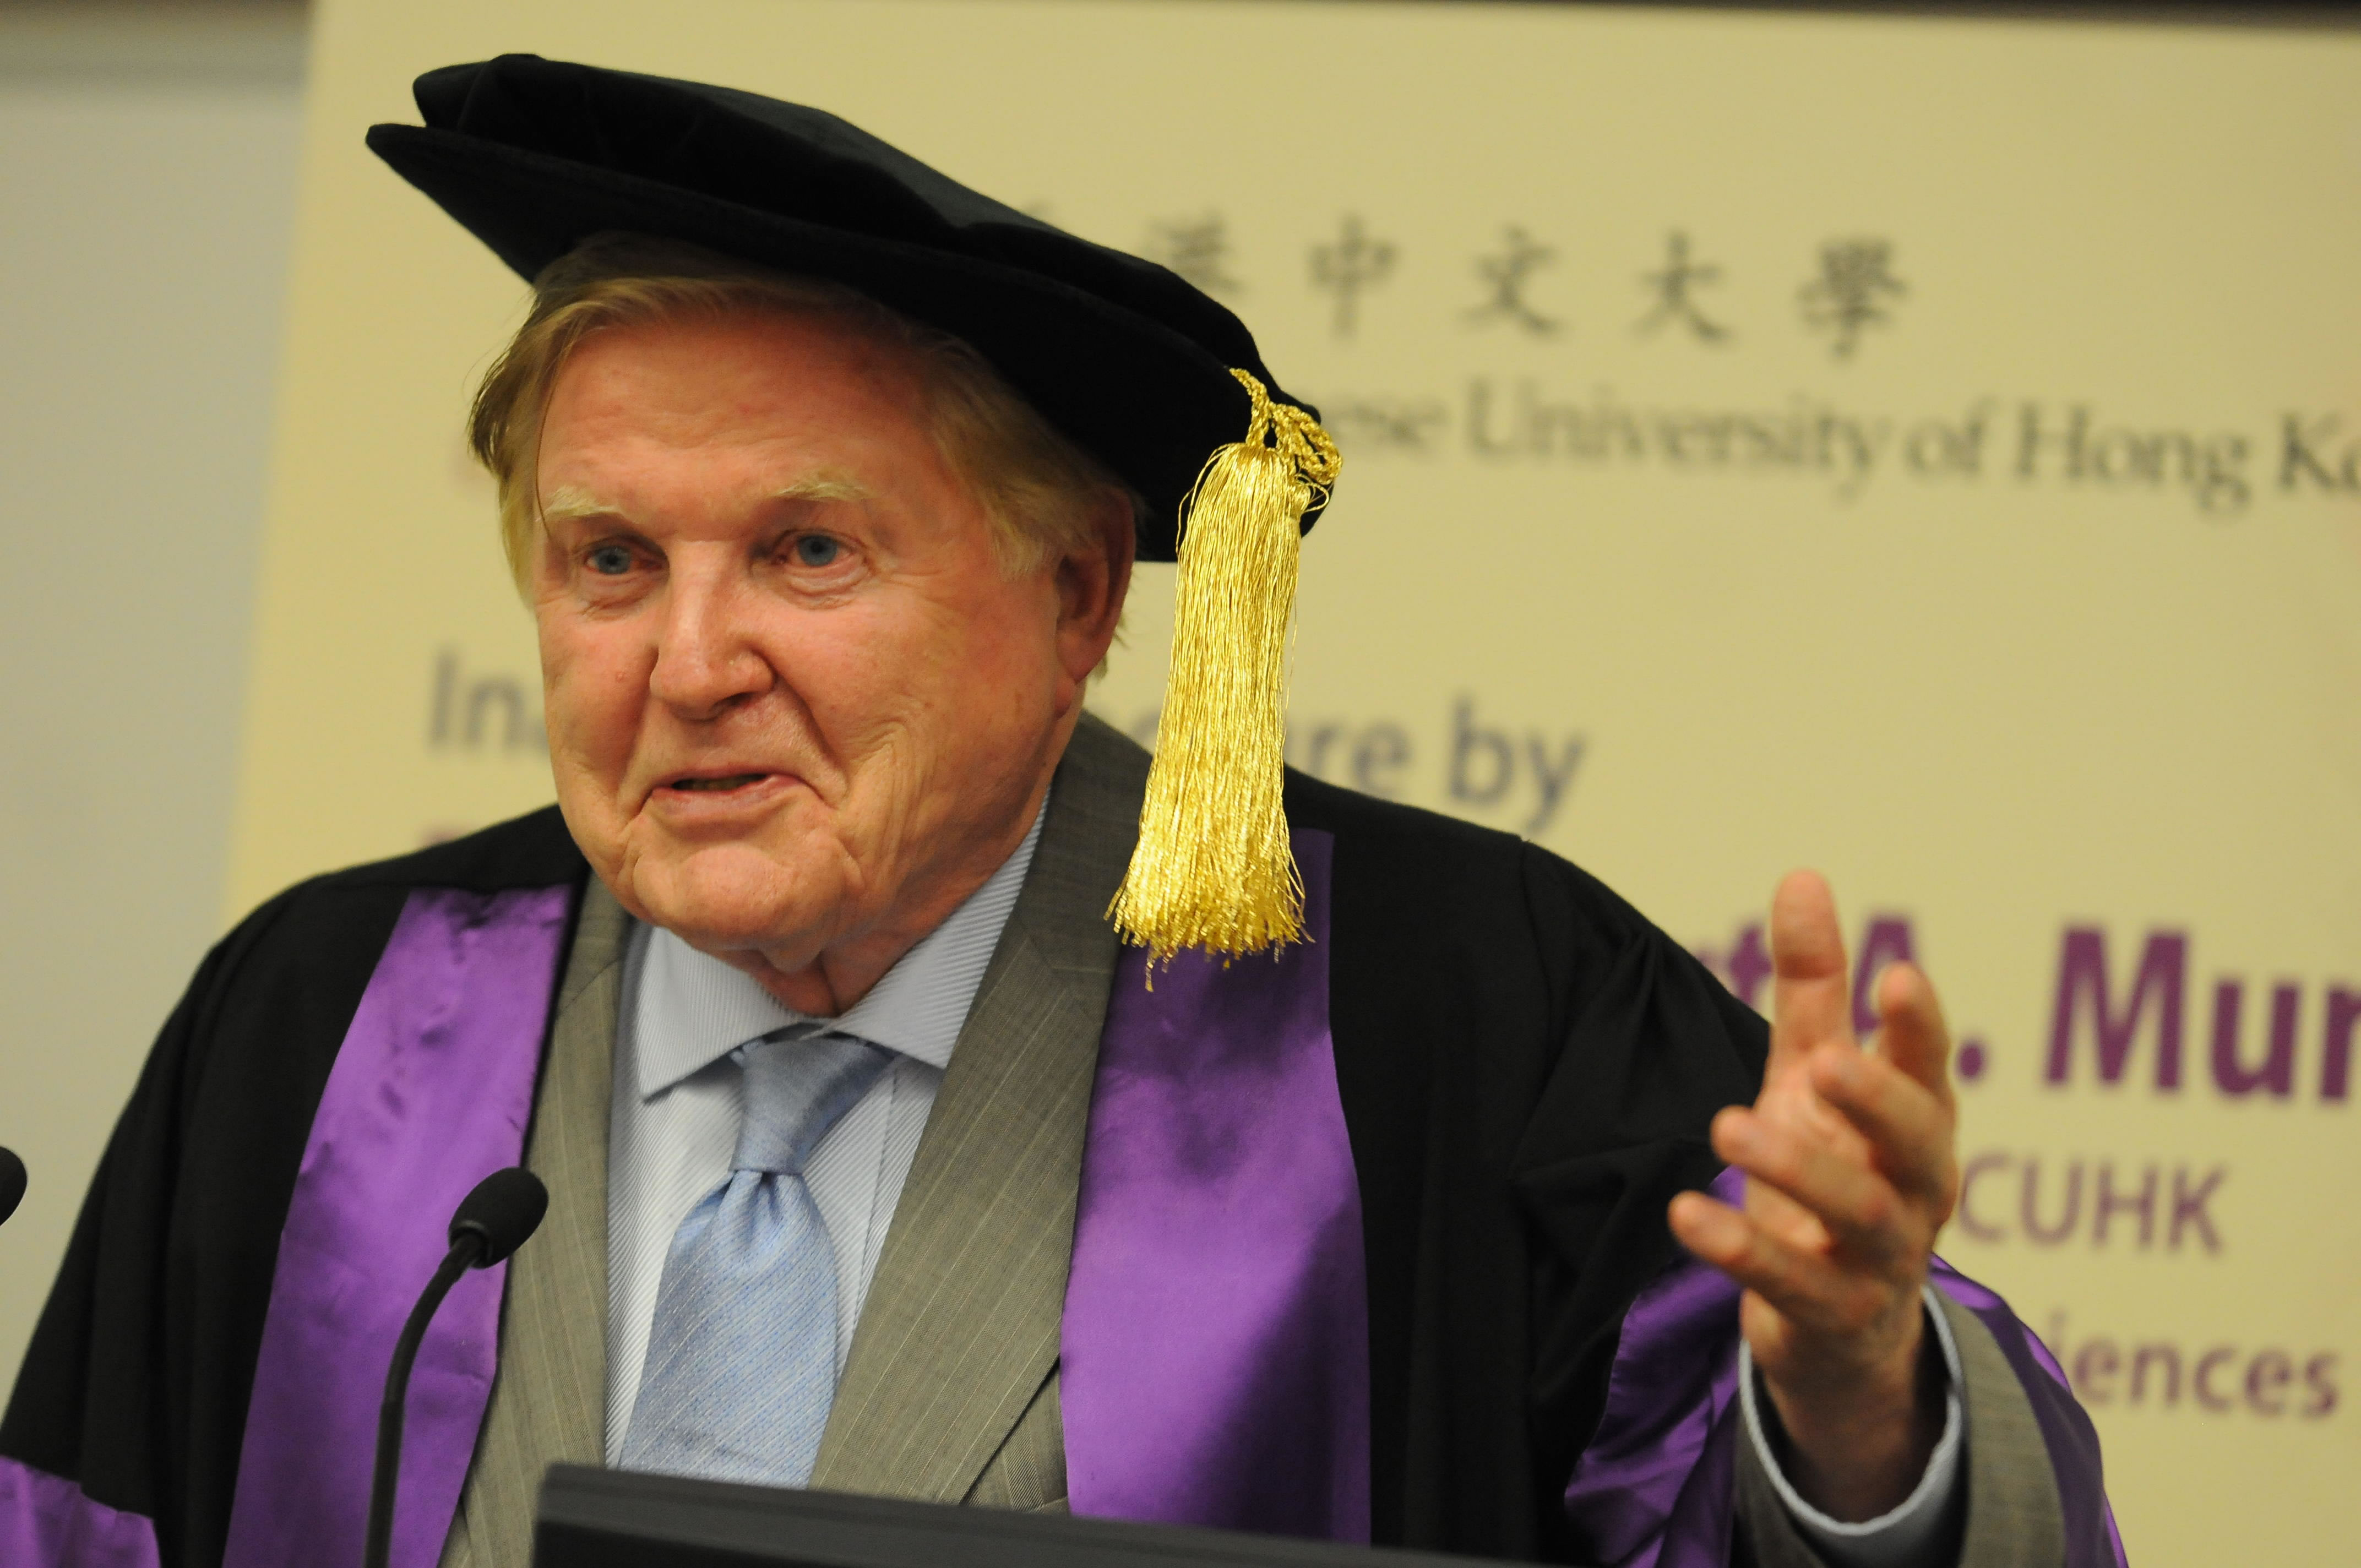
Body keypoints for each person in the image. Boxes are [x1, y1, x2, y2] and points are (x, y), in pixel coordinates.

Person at [0, 55, 2120, 1568]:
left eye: (808, 552)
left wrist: (1856, 1406)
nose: (689, 662)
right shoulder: (328, 1022)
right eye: (610, 560)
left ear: (1081, 594)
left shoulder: (1461, 1018)